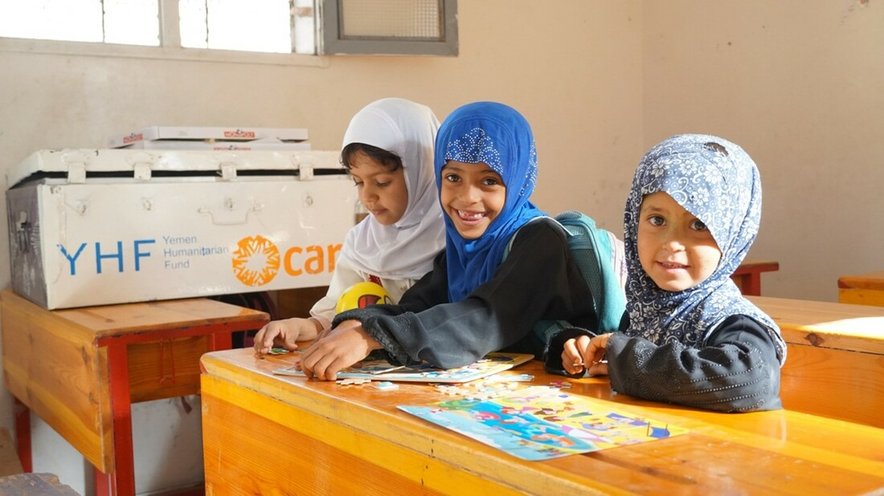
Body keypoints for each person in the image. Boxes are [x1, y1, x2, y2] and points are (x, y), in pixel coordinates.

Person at [298, 101, 600, 380]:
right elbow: (418, 304)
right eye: (453, 177)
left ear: (518, 178)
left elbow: (484, 318)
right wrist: (358, 322)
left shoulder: (539, 240)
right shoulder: (460, 247)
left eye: (489, 181)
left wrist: (373, 335)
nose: (468, 198)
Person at [554, 134, 787, 412]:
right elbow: (633, 359)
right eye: (657, 220)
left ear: (732, 235)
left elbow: (750, 381)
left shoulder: (731, 321)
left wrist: (626, 358)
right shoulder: (648, 307)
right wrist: (585, 350)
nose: (672, 243)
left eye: (699, 225)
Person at [254, 97, 445, 354]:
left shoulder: (455, 240)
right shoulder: (364, 241)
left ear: (422, 169)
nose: (367, 197)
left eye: (382, 182)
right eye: (358, 182)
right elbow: (336, 312)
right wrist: (300, 326)